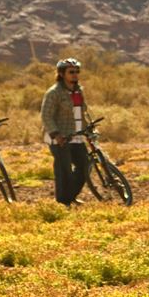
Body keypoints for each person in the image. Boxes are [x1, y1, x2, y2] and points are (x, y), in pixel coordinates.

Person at [41, 57, 90, 206]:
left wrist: (88, 128)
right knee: (64, 170)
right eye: (71, 72)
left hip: (76, 135)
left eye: (77, 71)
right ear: (62, 74)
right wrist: (56, 134)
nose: (75, 75)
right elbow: (46, 116)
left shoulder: (79, 91)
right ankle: (63, 202)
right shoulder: (54, 92)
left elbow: (81, 112)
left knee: (85, 166)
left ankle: (70, 196)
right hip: (59, 137)